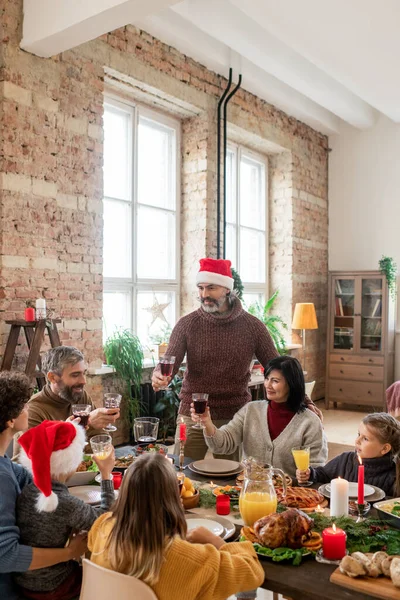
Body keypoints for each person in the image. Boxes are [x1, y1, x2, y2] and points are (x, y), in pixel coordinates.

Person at [152, 257, 322, 461]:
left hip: (234, 415)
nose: (204, 294)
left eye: (211, 288)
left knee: (228, 477)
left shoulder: (253, 327)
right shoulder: (187, 325)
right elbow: (168, 363)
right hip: (193, 414)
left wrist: (306, 401)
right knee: (183, 471)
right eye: (201, 288)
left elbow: (281, 369)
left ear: (226, 289)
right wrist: (158, 376)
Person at [88, 452, 264, 600]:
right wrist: (216, 541)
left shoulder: (103, 527)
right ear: (173, 498)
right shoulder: (190, 560)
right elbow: (253, 572)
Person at [0, 371, 87, 600]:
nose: (28, 409)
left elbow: (38, 476)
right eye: (24, 406)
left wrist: (61, 436)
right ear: (10, 420)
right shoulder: (1, 477)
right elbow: (5, 555)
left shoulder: (5, 464)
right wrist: (69, 552)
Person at [15, 419, 116, 599]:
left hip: (24, 581)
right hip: (54, 586)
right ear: (68, 463)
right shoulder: (64, 503)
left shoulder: (27, 491)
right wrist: (106, 474)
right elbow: (105, 520)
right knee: (109, 581)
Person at [192, 356, 327, 479]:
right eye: (267, 378)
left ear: (291, 384)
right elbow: (222, 445)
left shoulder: (310, 422)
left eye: (275, 381)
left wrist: (308, 474)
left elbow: (317, 469)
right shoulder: (251, 410)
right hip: (250, 493)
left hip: (291, 496)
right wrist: (207, 423)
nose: (268, 385)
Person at [14, 346, 119, 458]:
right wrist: (80, 426)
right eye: (75, 375)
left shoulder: (80, 397)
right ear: (52, 377)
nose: (83, 381)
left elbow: (99, 438)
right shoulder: (33, 410)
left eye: (83, 373)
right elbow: (39, 457)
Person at [297, 412, 400, 496]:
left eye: (365, 438)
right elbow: (322, 475)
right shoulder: (345, 460)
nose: (357, 441)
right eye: (359, 434)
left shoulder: (393, 476)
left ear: (385, 448)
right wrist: (309, 474)